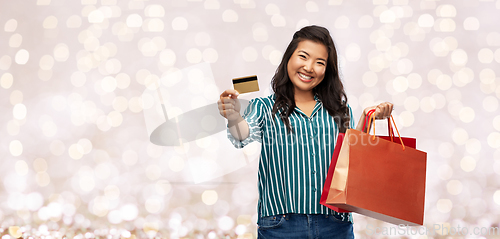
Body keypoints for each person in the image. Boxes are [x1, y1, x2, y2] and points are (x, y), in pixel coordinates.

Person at [217, 25, 393, 239]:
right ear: (288, 58)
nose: (309, 67)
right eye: (303, 57)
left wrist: (368, 118)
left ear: (327, 70)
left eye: (320, 63)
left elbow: (352, 162)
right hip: (281, 225)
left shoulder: (339, 110)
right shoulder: (264, 107)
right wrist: (234, 116)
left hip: (334, 223)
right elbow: (241, 136)